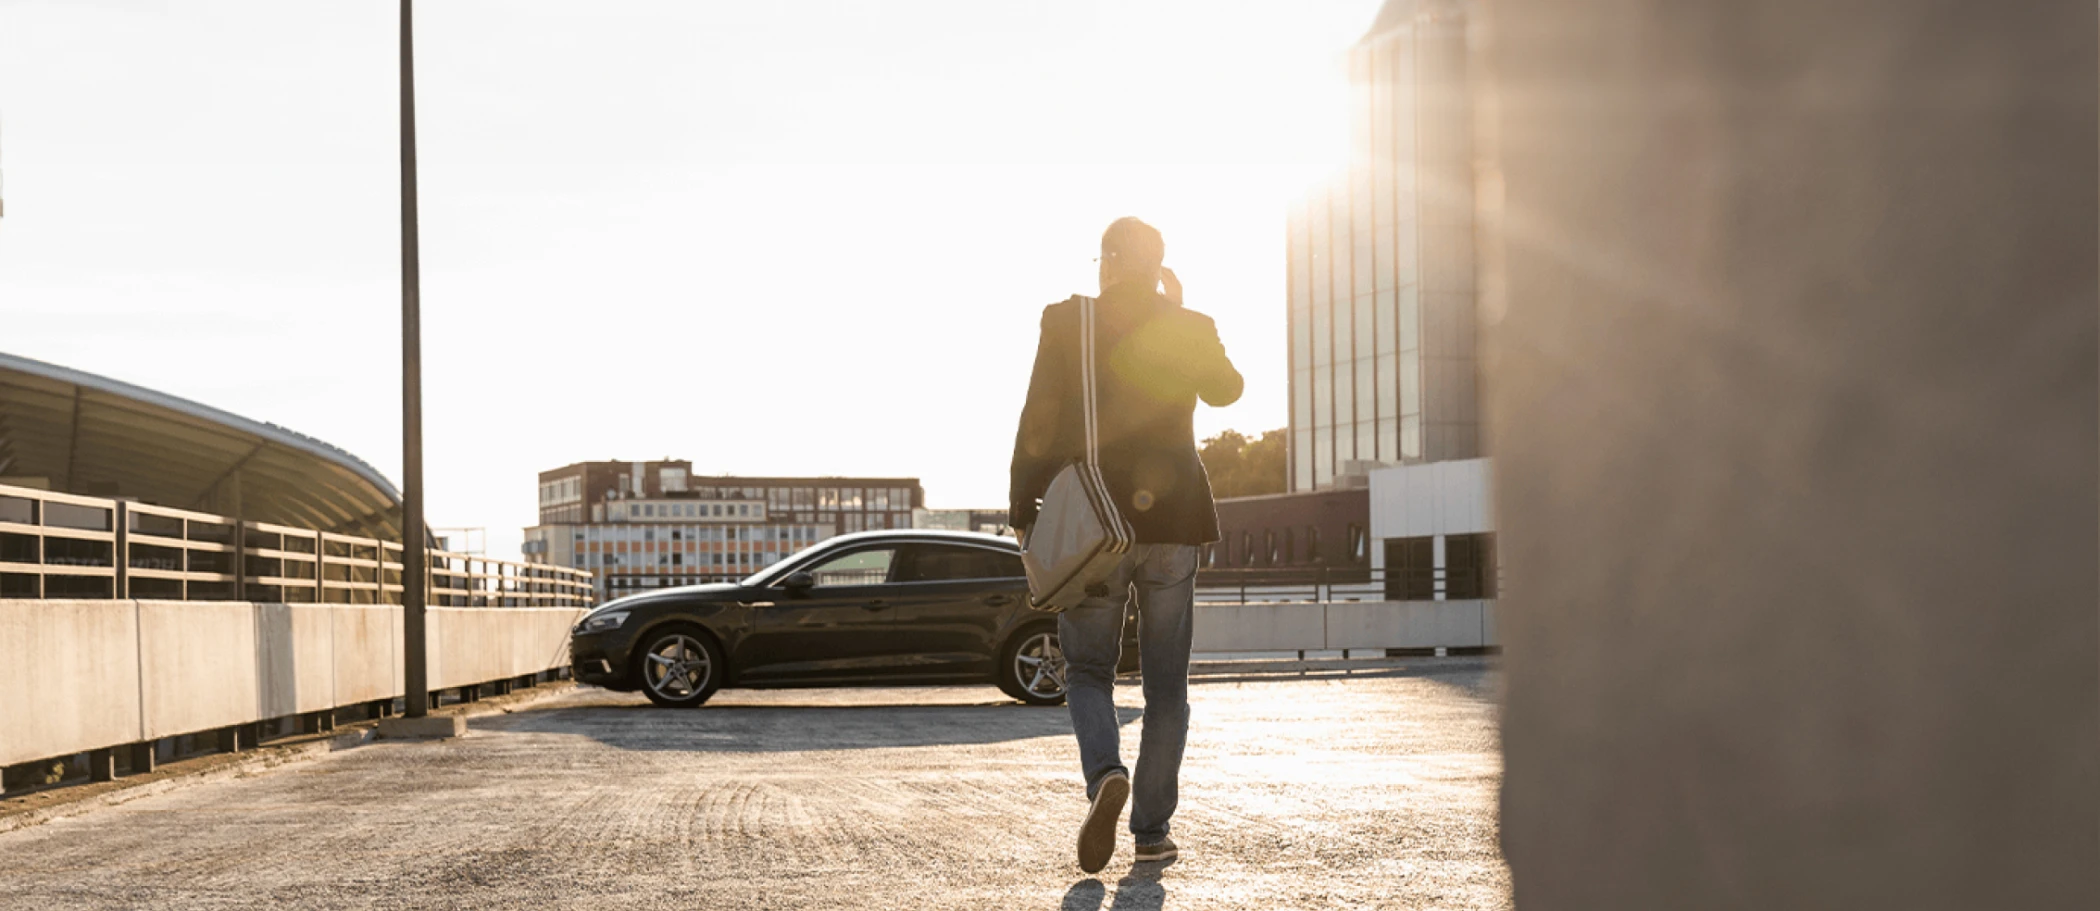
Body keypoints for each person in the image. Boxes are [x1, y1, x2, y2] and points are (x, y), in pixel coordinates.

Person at [1010, 216, 1243, 873]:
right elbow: (1228, 390)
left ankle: (1106, 774)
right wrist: (1180, 308)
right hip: (1175, 523)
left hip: (1094, 524)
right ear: (1157, 265)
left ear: (1110, 261)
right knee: (1168, 685)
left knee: (1088, 669)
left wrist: (1023, 504)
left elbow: (1039, 416)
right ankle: (1151, 830)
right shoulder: (1187, 324)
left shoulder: (1067, 321)